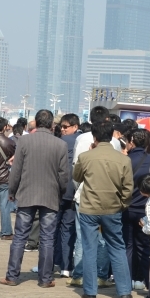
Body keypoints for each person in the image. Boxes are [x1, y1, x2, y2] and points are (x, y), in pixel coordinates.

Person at [0, 110, 69, 288]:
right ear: (52, 125)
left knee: (20, 237)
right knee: (47, 238)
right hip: (50, 195)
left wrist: (12, 190)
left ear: (36, 123)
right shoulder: (60, 145)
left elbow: (16, 170)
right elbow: (63, 175)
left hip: (27, 194)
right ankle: (45, 279)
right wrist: (60, 192)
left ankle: (12, 276)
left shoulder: (24, 141)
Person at [72, 120, 134, 298]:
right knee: (117, 246)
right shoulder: (123, 159)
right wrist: (122, 204)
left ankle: (90, 291)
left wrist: (90, 153)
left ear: (95, 137)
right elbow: (128, 188)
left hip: (89, 208)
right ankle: (124, 290)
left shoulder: (86, 157)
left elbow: (76, 176)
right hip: (113, 207)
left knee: (89, 248)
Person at [123, 129, 150, 291]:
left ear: (132, 141)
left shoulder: (126, 160)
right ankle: (148, 283)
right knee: (144, 248)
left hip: (127, 209)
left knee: (127, 246)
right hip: (145, 210)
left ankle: (125, 284)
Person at [55, 113, 81, 277]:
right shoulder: (85, 141)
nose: (63, 129)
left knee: (52, 229)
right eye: (61, 127)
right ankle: (66, 266)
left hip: (59, 191)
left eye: (65, 127)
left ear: (75, 126)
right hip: (74, 192)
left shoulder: (60, 142)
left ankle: (51, 263)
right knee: (67, 230)